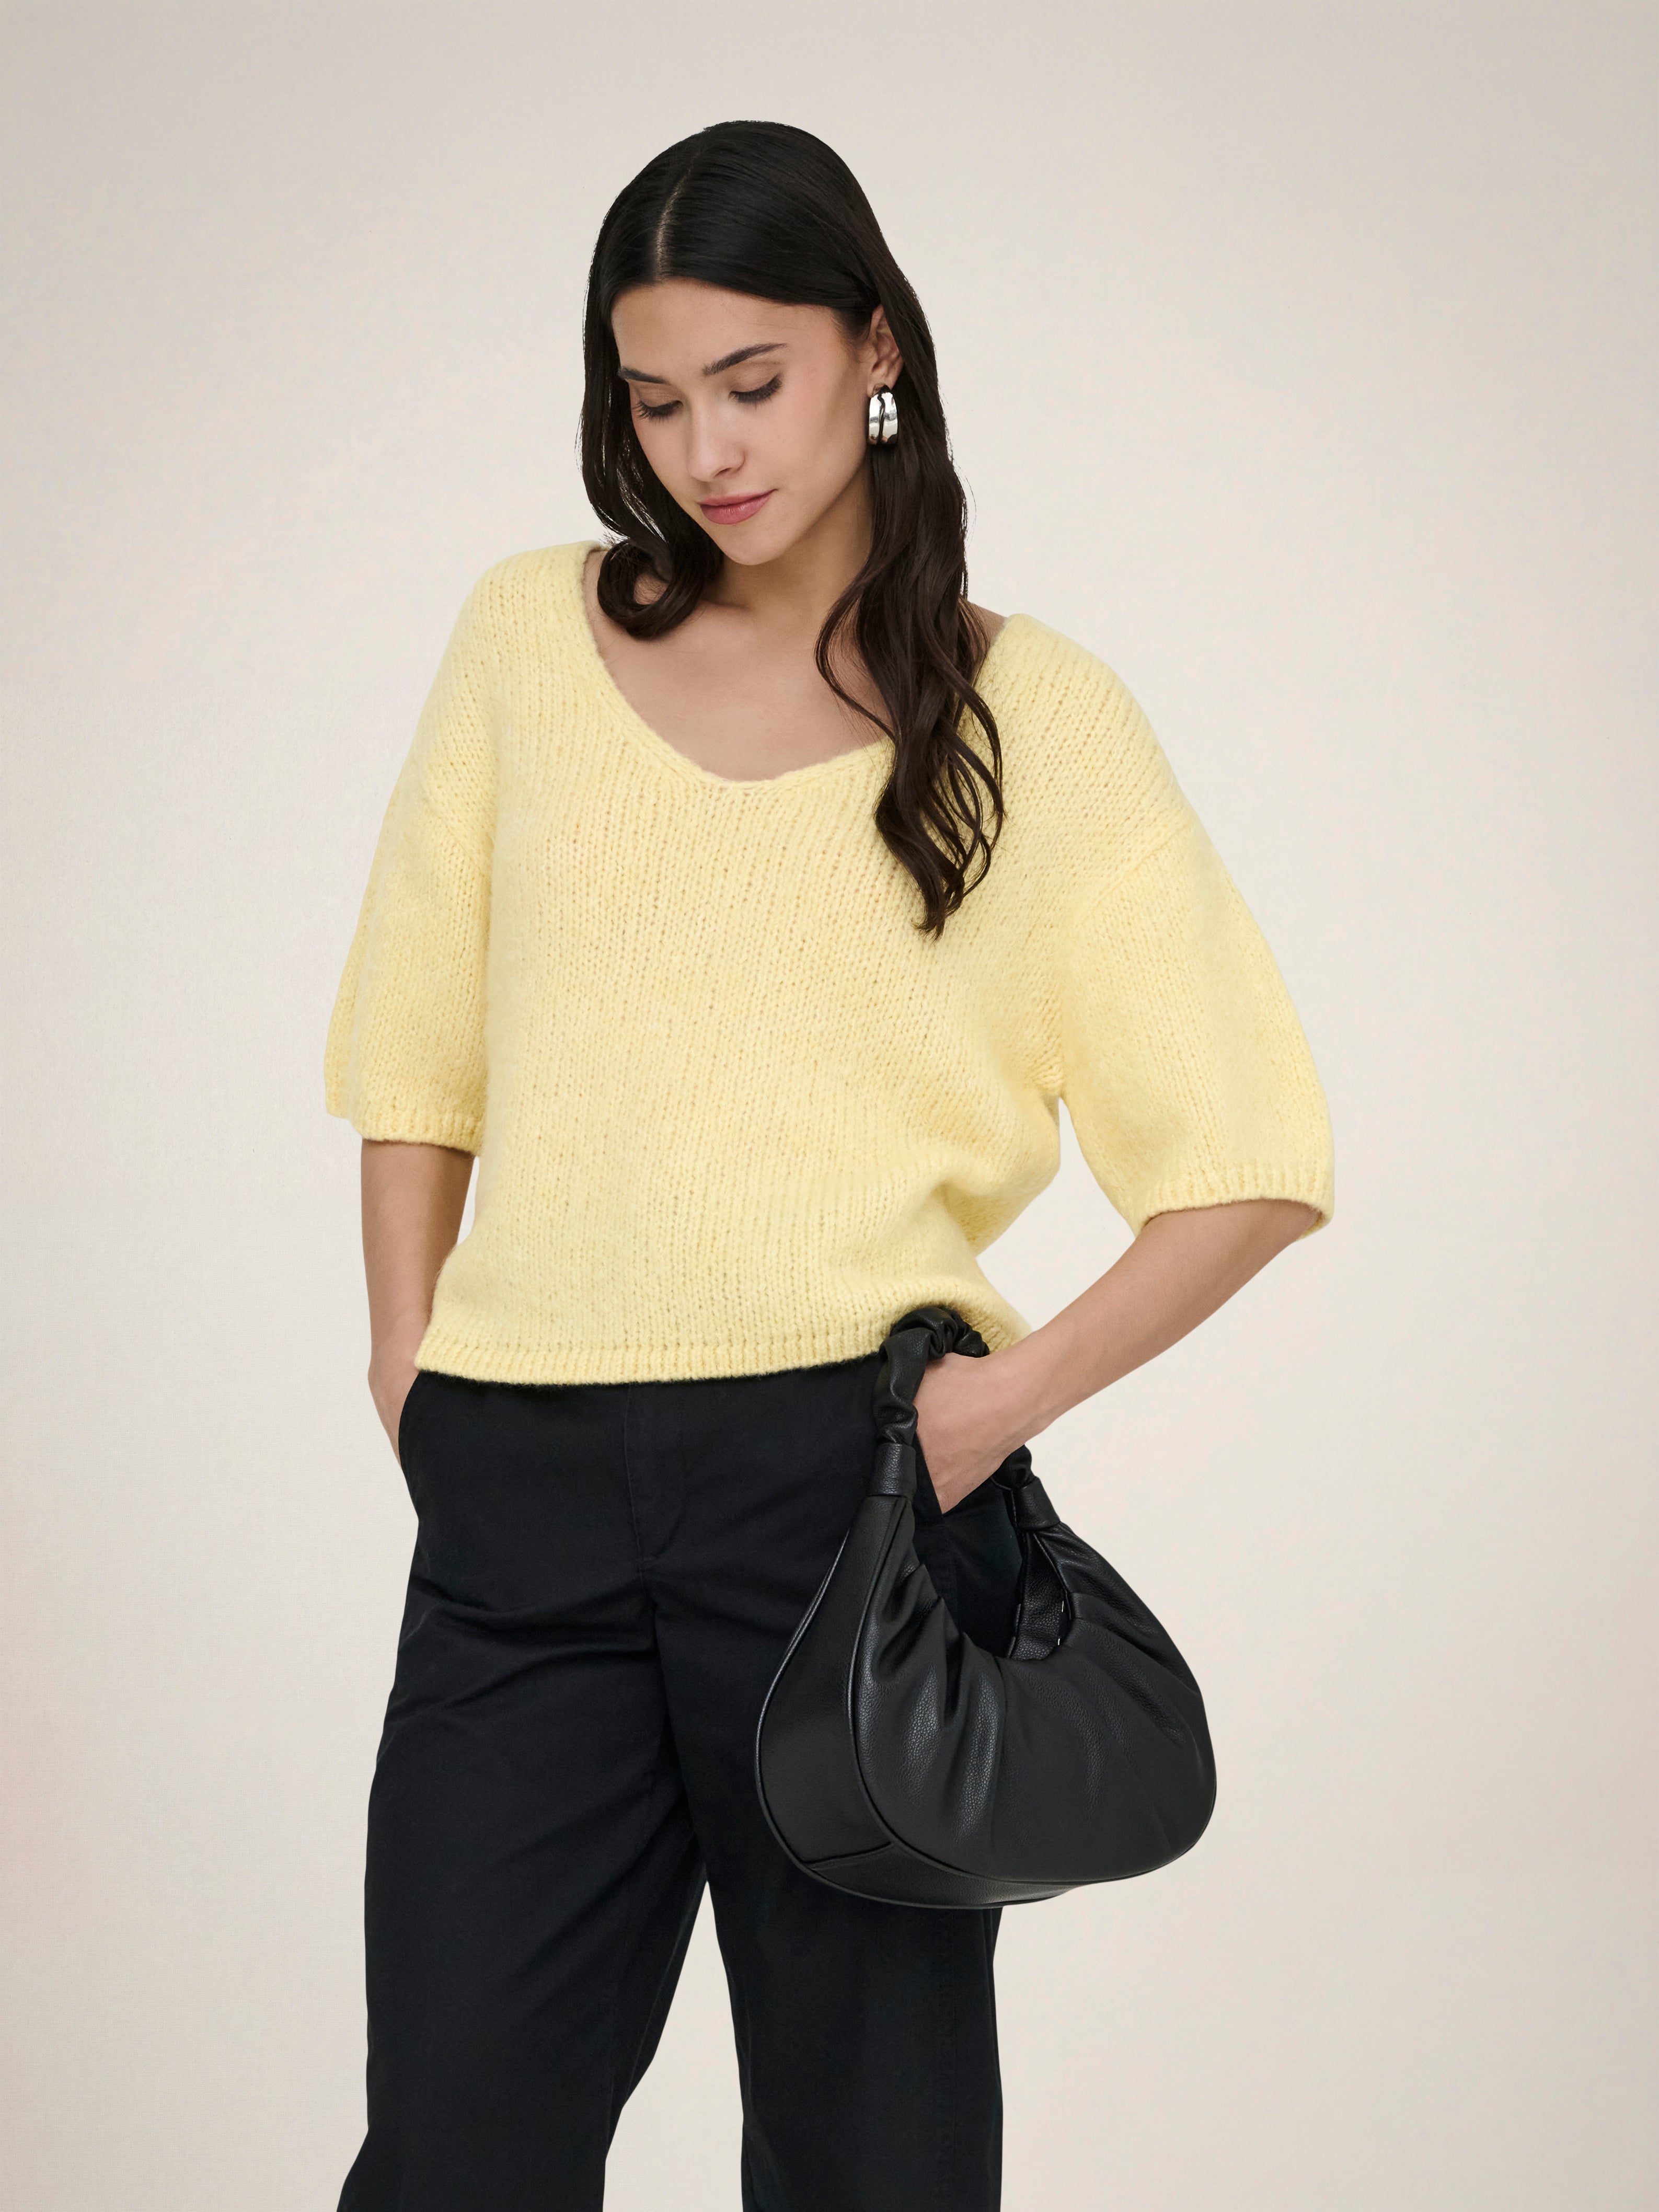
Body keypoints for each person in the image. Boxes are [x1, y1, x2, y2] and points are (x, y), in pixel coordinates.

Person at [324, 119, 1334, 2212]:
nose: (705, 449)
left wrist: (986, 1409)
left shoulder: (1030, 715)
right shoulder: (525, 637)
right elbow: (415, 1041)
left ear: (874, 349)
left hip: (850, 1499)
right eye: (653, 398)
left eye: (751, 380)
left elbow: (1247, 1155)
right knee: (453, 2143)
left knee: (874, 2160)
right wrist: (406, 1358)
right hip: (517, 1496)